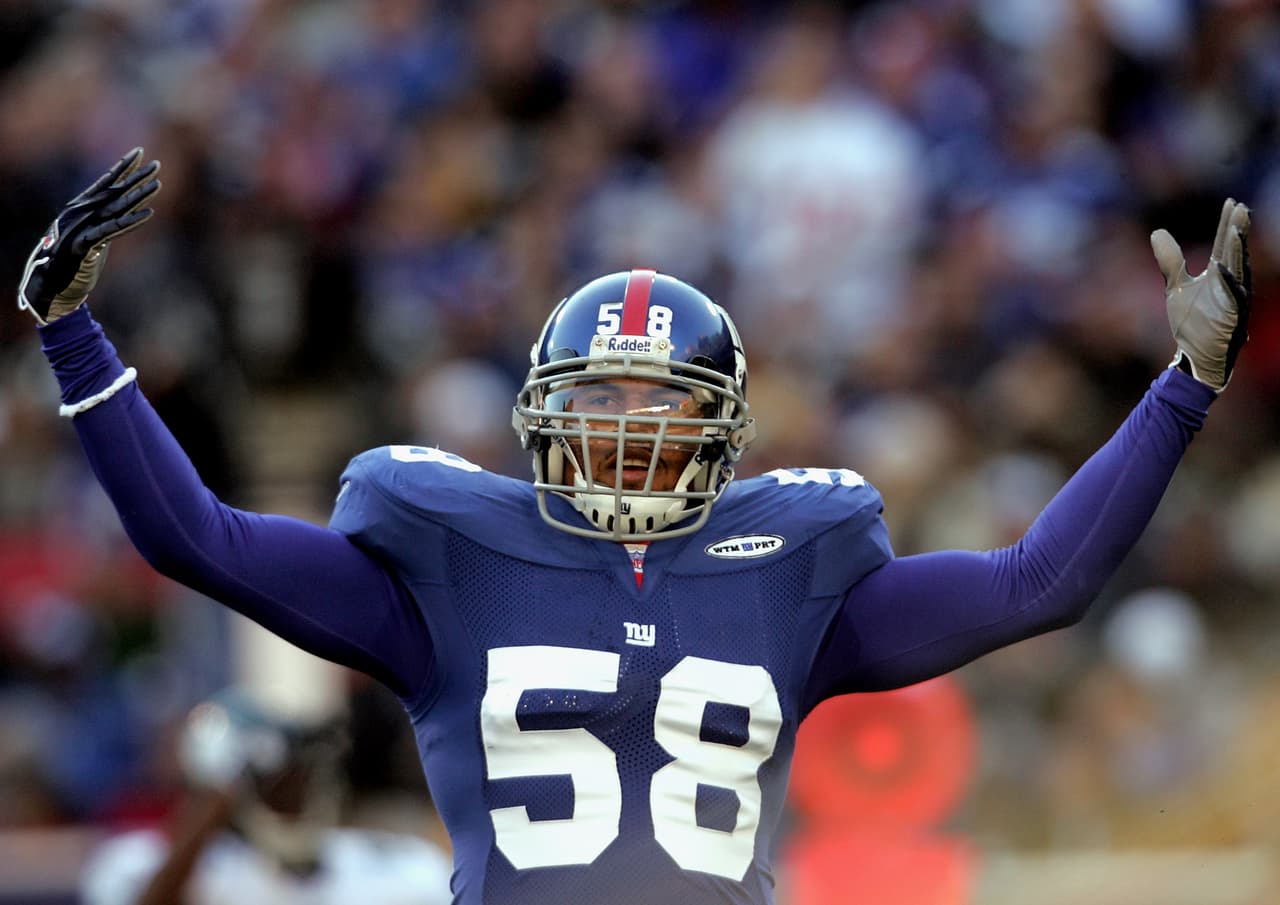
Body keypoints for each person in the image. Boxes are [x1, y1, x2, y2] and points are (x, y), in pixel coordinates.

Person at [19, 148, 1250, 905]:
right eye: (600, 396)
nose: (626, 424)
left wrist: (1182, 385)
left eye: (660, 399)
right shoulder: (450, 559)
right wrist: (73, 332)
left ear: (720, 424)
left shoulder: (789, 567)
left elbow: (1038, 580)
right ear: (544, 412)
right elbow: (199, 539)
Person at [79, 686, 454, 905]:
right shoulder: (144, 864)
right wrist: (210, 811)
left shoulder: (394, 864)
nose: (302, 789)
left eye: (306, 774)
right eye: (283, 779)